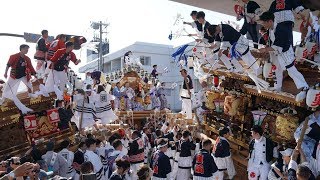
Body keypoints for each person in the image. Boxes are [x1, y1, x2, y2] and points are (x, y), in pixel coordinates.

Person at [259, 11, 309, 102]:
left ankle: (304, 87)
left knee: (291, 71)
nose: (263, 25)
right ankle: (278, 87)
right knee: (277, 69)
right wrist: (267, 47)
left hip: (285, 52)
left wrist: (265, 50)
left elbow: (278, 46)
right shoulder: (270, 29)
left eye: (264, 23)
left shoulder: (280, 29)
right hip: (277, 53)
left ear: (270, 21)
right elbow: (272, 42)